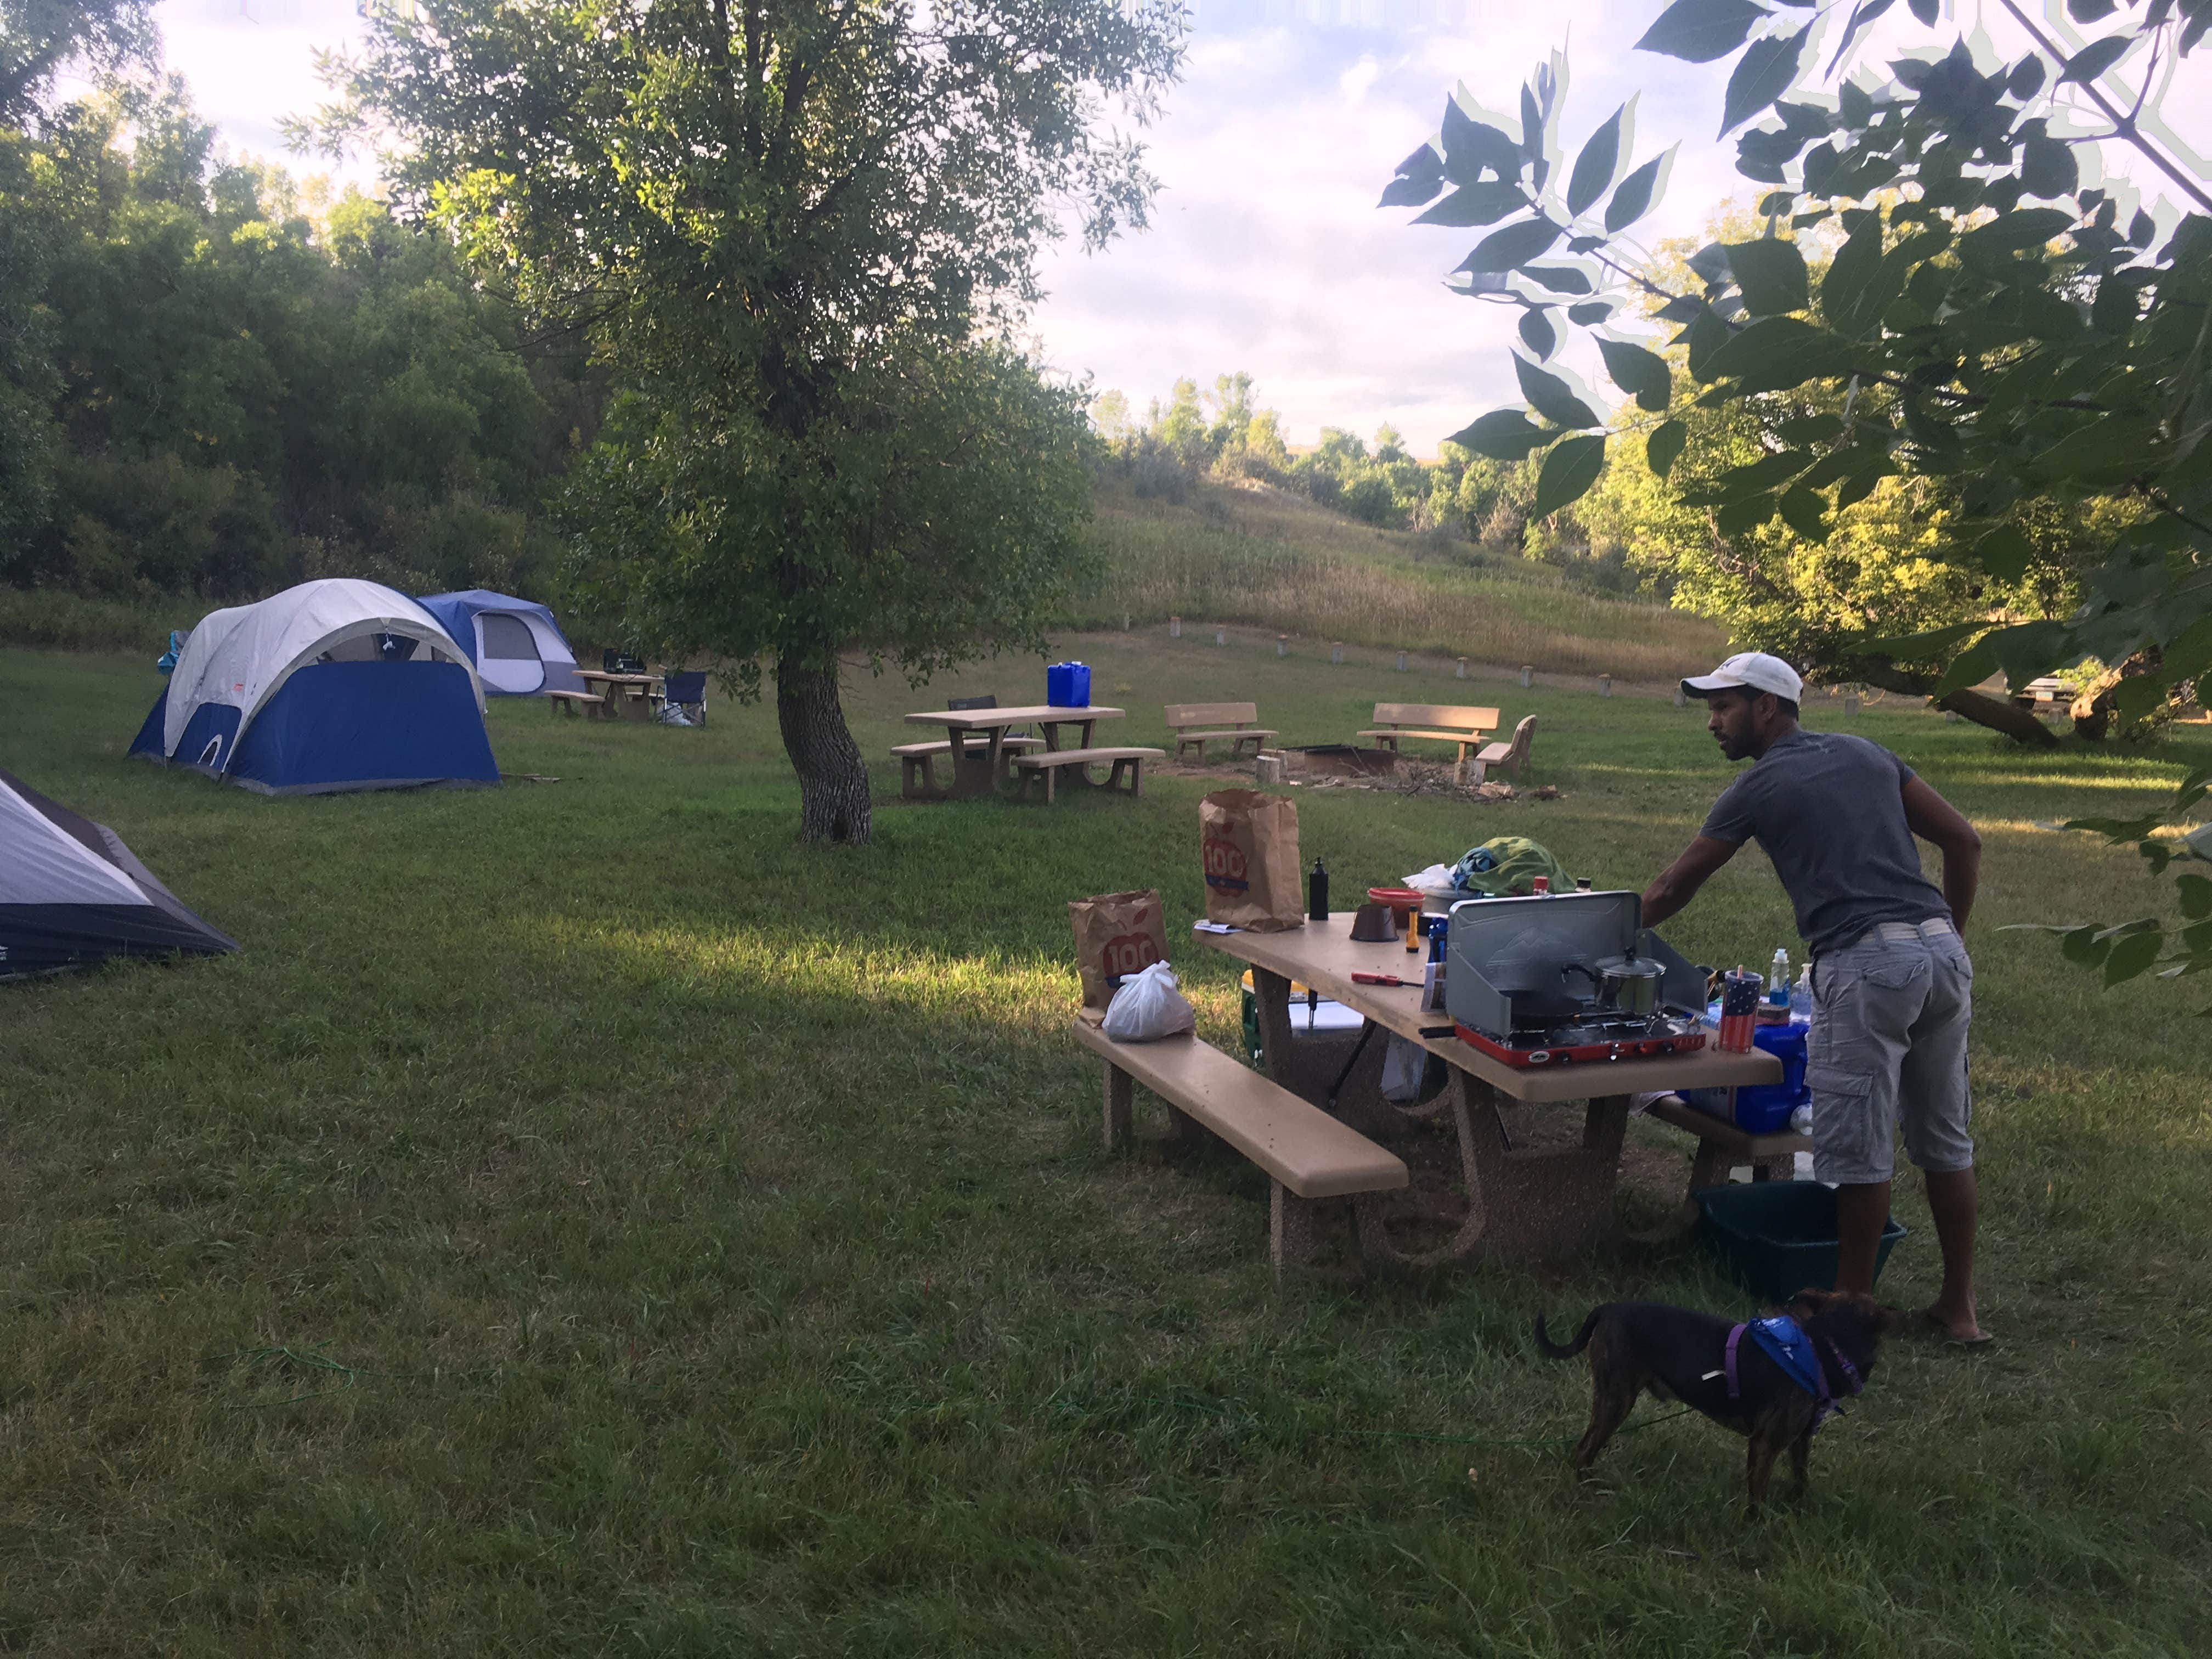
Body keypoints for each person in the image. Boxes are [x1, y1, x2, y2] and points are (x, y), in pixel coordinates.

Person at [1641, 653, 1989, 1345]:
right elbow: (1964, 841)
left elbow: (1674, 887)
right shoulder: (1868, 753)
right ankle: (1959, 1311)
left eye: (1724, 707)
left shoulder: (1758, 784)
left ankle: (1849, 1312)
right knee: (1946, 1141)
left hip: (1867, 963)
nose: (1713, 722)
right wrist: (1947, 935)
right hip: (1943, 954)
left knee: (1860, 1148)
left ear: (1767, 707)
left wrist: (1609, 932)